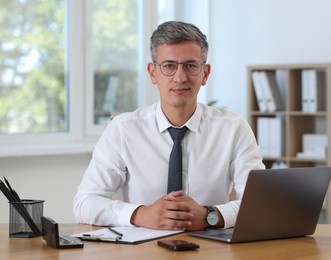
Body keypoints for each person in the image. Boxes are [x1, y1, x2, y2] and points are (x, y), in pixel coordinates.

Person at [73, 21, 265, 231]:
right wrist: (140, 214)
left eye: (190, 66)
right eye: (169, 66)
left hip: (211, 249)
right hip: (142, 250)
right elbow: (84, 203)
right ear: (153, 73)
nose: (180, 78)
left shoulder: (233, 128)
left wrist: (211, 215)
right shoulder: (123, 129)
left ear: (205, 73)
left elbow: (260, 205)